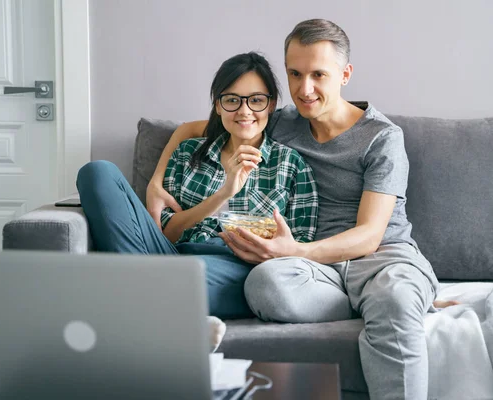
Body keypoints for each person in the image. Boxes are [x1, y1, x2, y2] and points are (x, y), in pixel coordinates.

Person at [146, 19, 444, 400]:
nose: (305, 90)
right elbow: (193, 128)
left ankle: (393, 299)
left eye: (319, 74)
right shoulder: (285, 122)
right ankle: (365, 306)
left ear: (345, 74)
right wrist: (157, 181)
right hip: (316, 273)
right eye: (295, 74)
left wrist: (296, 250)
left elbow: (370, 234)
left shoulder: (382, 138)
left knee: (394, 299)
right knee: (264, 284)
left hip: (380, 259)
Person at [76, 52, 318, 348]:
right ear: (218, 105)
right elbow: (166, 231)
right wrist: (223, 194)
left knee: (173, 280)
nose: (244, 111)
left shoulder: (291, 165)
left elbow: (301, 248)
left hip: (238, 267)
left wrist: (272, 248)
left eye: (256, 100)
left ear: (271, 104)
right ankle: (167, 305)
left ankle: (152, 301)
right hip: (168, 253)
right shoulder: (188, 153)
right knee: (98, 172)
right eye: (232, 100)